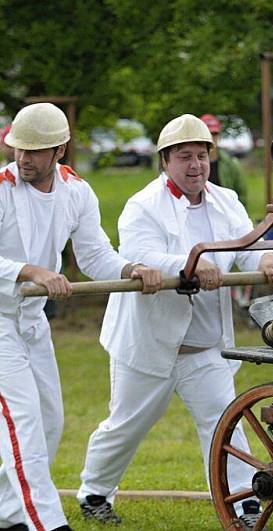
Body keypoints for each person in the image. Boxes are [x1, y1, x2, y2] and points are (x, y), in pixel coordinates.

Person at [77, 114, 273, 528]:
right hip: (149, 342)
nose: (196, 165)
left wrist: (264, 256)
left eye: (202, 156)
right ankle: (94, 493)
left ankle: (243, 503)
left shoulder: (225, 200)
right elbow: (143, 255)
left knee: (224, 423)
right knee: (126, 425)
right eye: (185, 157)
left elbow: (245, 245)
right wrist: (192, 264)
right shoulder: (143, 205)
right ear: (165, 161)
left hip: (204, 345)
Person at [0, 102, 161, 531]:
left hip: (32, 321)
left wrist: (129, 269)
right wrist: (28, 271)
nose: (23, 159)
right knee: (24, 426)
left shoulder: (77, 192)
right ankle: (47, 523)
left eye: (35, 151)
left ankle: (8, 512)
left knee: (50, 423)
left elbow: (93, 254)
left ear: (60, 151)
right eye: (18, 149)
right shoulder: (0, 188)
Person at [199, 113, 247, 209]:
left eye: (214, 133)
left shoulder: (231, 163)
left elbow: (241, 196)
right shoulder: (191, 164)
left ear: (219, 135)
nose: (211, 137)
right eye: (207, 133)